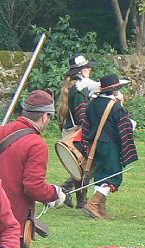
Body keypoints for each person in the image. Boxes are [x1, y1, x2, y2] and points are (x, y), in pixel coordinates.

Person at [0, 89, 66, 248]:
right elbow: (33, 186)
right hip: (12, 219)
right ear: (45, 116)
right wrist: (54, 193)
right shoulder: (36, 143)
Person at [81, 73, 139, 220]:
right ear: (115, 90)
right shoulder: (116, 107)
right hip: (110, 145)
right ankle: (94, 204)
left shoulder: (92, 104)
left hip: (95, 144)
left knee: (100, 175)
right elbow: (125, 128)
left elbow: (86, 125)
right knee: (113, 176)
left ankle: (99, 209)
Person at [57, 54, 101, 209]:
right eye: (86, 67)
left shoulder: (74, 88)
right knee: (87, 167)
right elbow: (82, 116)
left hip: (71, 131)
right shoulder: (78, 91)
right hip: (76, 132)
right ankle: (67, 192)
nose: (89, 69)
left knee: (83, 167)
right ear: (79, 71)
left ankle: (74, 197)